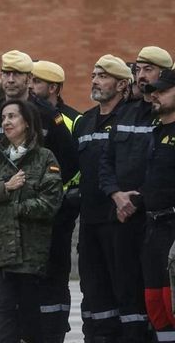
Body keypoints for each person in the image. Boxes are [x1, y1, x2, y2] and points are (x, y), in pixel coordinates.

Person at [0, 99, 63, 343]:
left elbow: (49, 203)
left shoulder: (44, 158)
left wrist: (11, 209)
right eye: (4, 117)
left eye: (12, 116)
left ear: (28, 123)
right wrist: (5, 187)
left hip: (31, 258)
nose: (6, 122)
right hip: (0, 257)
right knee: (4, 325)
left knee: (31, 327)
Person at [99, 47, 173, 342]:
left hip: (158, 219)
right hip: (127, 218)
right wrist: (116, 194)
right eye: (138, 70)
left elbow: (158, 174)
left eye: (149, 71)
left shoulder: (162, 120)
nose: (141, 78)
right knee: (140, 297)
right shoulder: (126, 112)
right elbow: (106, 159)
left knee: (166, 302)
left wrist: (136, 199)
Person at [75, 54, 142, 342]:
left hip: (121, 220)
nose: (95, 81)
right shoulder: (84, 122)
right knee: (93, 292)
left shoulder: (131, 117)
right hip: (89, 221)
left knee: (125, 291)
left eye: (103, 76)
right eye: (94, 75)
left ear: (121, 84)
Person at [30, 60, 81, 342]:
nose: (31, 87)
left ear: (53, 87)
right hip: (29, 211)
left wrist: (61, 193)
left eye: (37, 82)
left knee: (56, 274)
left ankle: (56, 330)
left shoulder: (73, 120)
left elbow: (77, 162)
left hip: (61, 210)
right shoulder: (24, 114)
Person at [0, 50, 78, 184]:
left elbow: (70, 159)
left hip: (37, 200)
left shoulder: (47, 113)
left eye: (17, 74)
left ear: (29, 79)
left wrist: (47, 190)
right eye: (6, 74)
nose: (10, 80)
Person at [139, 69, 175, 342]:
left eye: (162, 91)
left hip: (173, 228)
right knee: (155, 303)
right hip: (152, 228)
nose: (155, 96)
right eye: (154, 92)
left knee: (171, 300)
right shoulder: (155, 132)